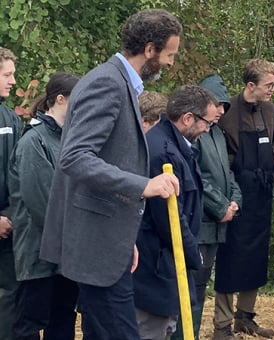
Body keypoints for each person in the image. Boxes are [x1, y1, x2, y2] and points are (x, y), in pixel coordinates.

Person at [39, 9, 182, 339]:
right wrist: (144, 185)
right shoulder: (107, 82)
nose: (171, 63)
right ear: (150, 49)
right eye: (170, 54)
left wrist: (121, 235)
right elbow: (74, 158)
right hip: (93, 247)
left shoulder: (120, 84)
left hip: (106, 241)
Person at [133, 85, 219, 339]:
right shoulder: (162, 153)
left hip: (168, 264)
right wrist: (195, 256)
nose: (207, 129)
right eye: (207, 123)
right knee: (152, 332)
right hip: (156, 267)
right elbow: (169, 219)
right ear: (188, 118)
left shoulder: (175, 146)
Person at [8, 72, 80, 340]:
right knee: (31, 322)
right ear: (60, 99)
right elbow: (43, 201)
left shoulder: (70, 139)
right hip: (38, 254)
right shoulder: (33, 141)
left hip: (65, 253)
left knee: (62, 318)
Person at [171, 74, 243, 340]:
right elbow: (197, 179)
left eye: (225, 105)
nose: (222, 110)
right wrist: (221, 206)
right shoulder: (194, 137)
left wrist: (235, 201)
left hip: (216, 227)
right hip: (199, 224)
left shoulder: (219, 135)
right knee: (188, 290)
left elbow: (228, 173)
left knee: (199, 289)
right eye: (218, 104)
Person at [212, 59, 274, 339]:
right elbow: (218, 153)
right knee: (231, 258)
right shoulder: (227, 110)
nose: (273, 90)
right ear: (251, 85)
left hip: (262, 193)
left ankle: (245, 317)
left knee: (256, 256)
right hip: (236, 191)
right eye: (269, 85)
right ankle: (222, 324)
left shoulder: (269, 109)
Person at [0, 46, 21, 340]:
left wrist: (7, 215)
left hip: (8, 228)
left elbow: (18, 174)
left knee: (10, 297)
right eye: (7, 74)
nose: (13, 81)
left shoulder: (11, 118)